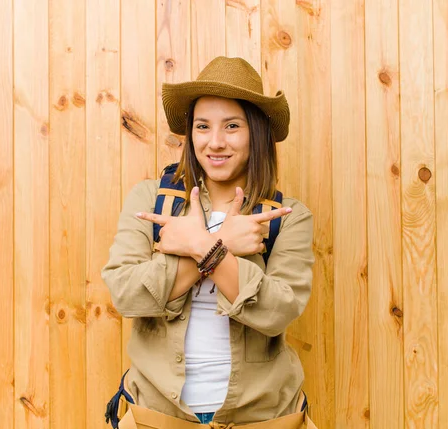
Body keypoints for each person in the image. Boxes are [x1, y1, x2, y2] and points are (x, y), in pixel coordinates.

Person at [102, 56, 316, 428]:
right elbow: (125, 293)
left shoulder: (287, 216)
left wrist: (203, 247)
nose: (215, 142)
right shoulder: (149, 200)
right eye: (202, 126)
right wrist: (223, 245)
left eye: (232, 126)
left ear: (257, 132)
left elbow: (278, 311)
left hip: (263, 417)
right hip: (157, 415)